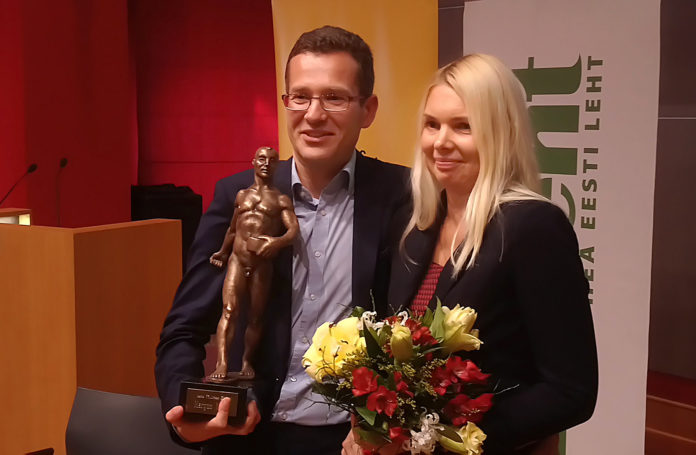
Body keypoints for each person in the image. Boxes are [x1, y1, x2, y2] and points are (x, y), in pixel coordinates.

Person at [155, 25, 410, 455]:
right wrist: (186, 416)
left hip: (356, 441)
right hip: (249, 437)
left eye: (334, 97)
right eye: (300, 97)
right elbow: (183, 329)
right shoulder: (235, 195)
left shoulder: (404, 196)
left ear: (367, 110)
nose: (314, 114)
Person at [343, 54, 598, 455]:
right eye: (432, 124)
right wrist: (369, 426)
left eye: (463, 126)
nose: (440, 142)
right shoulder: (414, 224)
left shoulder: (534, 227)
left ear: (501, 133)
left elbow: (570, 392)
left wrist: (431, 439)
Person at [208, 146, 299, 382]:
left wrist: (276, 243)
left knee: (256, 316)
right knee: (229, 310)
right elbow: (232, 228)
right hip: (237, 260)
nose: (266, 163)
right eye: (262, 158)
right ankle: (222, 362)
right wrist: (222, 252)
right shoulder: (242, 195)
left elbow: (293, 232)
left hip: (262, 264)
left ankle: (247, 361)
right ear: (253, 162)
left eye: (272, 160)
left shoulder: (280, 199)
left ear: (277, 165)